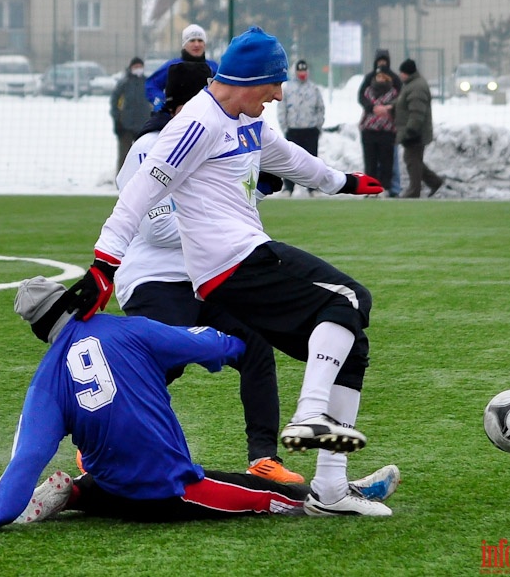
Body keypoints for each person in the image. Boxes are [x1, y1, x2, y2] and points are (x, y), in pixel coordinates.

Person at [67, 26, 400, 517]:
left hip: (238, 262)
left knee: (351, 340)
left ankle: (331, 489)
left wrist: (344, 182)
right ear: (251, 79)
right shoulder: (196, 123)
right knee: (349, 298)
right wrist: (103, 266)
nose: (279, 95)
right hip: (232, 263)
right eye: (275, 85)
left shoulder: (245, 120)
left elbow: (289, 159)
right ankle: (308, 413)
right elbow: (137, 196)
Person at [0, 277, 396, 531]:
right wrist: (239, 348)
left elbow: (26, 458)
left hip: (113, 489)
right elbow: (215, 346)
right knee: (265, 497)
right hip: (169, 492)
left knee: (109, 477)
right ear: (75, 305)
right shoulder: (127, 330)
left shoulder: (44, 383)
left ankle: (76, 493)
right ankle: (336, 494)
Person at [115, 61, 303, 484]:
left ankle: (263, 459)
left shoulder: (214, 139)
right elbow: (157, 227)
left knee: (256, 344)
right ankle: (98, 447)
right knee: (164, 357)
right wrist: (217, 211)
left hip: (207, 277)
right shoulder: (149, 147)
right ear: (178, 107)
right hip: (155, 279)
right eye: (200, 102)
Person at [394, 58, 445, 198]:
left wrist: (410, 130)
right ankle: (434, 182)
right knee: (413, 159)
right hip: (415, 131)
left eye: (402, 72)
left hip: (416, 133)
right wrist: (390, 106)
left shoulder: (416, 87)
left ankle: (414, 190)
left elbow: (417, 112)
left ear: (407, 73)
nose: (400, 75)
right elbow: (403, 103)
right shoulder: (412, 85)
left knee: (412, 160)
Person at [357, 49, 403, 197]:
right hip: (369, 130)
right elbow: (361, 98)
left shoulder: (394, 86)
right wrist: (373, 108)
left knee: (387, 162)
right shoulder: (368, 87)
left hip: (387, 130)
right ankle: (370, 188)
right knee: (370, 162)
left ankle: (386, 187)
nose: (381, 77)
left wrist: (389, 107)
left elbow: (401, 99)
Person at [276, 59, 325, 196]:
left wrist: (318, 126)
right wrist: (285, 127)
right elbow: (282, 109)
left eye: (304, 70)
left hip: (310, 130)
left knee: (312, 160)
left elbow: (320, 108)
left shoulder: (314, 89)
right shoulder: (288, 89)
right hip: (293, 130)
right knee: (291, 160)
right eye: (299, 70)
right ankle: (289, 187)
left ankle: (312, 187)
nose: (302, 73)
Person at [145, 24, 219, 111]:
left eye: (200, 40)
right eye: (192, 40)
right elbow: (151, 85)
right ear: (184, 44)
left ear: (205, 44)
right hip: (176, 116)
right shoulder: (173, 66)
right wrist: (163, 103)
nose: (196, 44)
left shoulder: (213, 67)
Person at [110, 57, 153, 172]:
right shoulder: (123, 84)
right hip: (126, 126)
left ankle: (144, 180)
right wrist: (117, 121)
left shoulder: (148, 82)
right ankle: (121, 181)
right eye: (135, 67)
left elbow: (154, 102)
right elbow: (115, 102)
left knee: (145, 155)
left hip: (144, 126)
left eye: (140, 66)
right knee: (124, 155)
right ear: (130, 68)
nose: (138, 69)